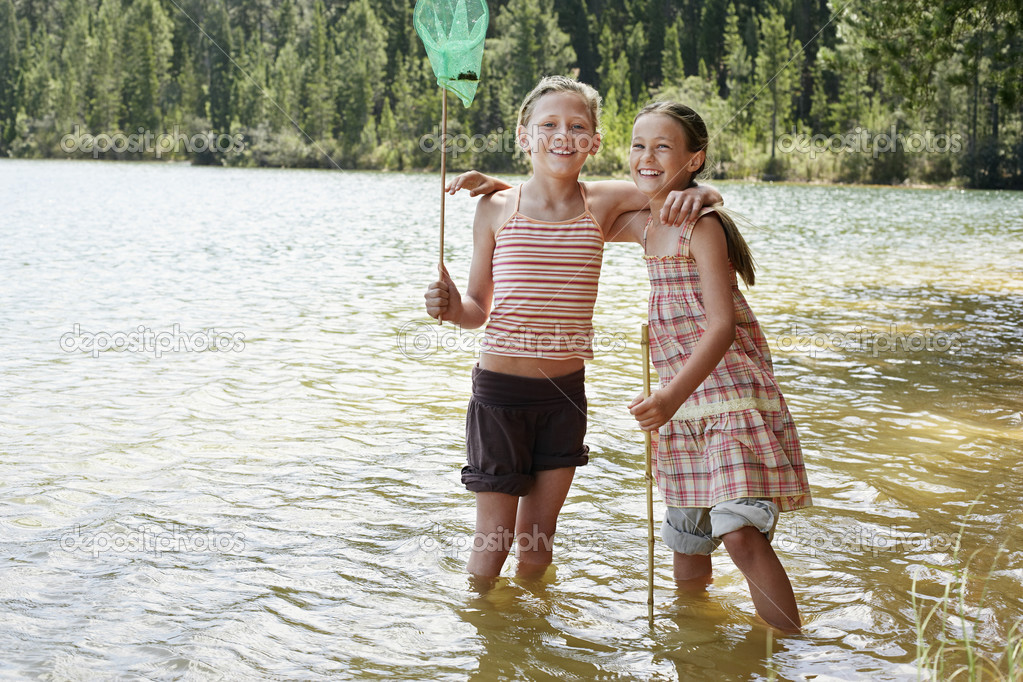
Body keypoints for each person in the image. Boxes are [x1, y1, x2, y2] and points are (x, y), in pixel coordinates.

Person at [424, 76, 721, 581]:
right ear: (524, 136)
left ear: (595, 142)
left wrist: (706, 194)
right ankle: (488, 645)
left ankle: (532, 635)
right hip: (500, 394)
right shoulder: (495, 208)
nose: (563, 135)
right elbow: (478, 306)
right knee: (493, 541)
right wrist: (453, 309)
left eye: (577, 126)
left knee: (538, 541)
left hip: (564, 395)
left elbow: (669, 186)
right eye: (549, 125)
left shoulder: (600, 204)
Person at [622, 101, 812, 632]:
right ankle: (698, 649)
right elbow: (569, 196)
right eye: (638, 145)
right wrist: (502, 190)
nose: (647, 156)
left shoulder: (700, 226)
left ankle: (791, 651)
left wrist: (667, 398)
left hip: (728, 399)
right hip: (684, 415)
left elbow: (721, 326)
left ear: (694, 158)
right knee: (687, 549)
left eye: (663, 147)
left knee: (740, 534)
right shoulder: (645, 221)